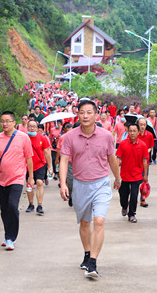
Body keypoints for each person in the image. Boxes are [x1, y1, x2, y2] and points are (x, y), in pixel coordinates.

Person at [60, 98, 121, 279]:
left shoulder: (106, 136)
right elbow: (64, 160)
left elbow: (112, 159)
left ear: (96, 115)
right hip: (80, 184)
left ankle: (93, 262)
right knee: (85, 222)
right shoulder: (70, 136)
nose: (85, 116)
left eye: (89, 112)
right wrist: (63, 183)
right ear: (77, 115)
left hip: (101, 183)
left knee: (99, 221)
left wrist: (118, 178)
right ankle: (87, 253)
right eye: (82, 112)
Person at [0, 111, 34, 251]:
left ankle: (11, 237)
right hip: (0, 179)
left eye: (7, 121)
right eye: (2, 121)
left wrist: (30, 177)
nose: (4, 124)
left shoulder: (23, 138)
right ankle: (7, 236)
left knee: (12, 206)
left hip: (17, 178)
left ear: (14, 122)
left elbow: (29, 158)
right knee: (4, 209)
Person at [116, 123, 149, 223]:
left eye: (134, 131)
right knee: (123, 194)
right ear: (128, 132)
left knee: (134, 195)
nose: (132, 133)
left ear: (138, 132)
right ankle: (124, 206)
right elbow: (118, 159)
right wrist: (117, 175)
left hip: (137, 175)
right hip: (124, 175)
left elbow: (145, 161)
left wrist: (145, 176)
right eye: (130, 131)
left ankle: (132, 214)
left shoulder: (143, 145)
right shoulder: (123, 144)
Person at [26, 120, 53, 215]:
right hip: (27, 166)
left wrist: (50, 166)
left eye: (34, 126)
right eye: (30, 126)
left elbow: (47, 153)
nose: (32, 128)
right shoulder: (24, 138)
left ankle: (40, 205)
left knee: (39, 182)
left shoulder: (42, 138)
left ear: (37, 128)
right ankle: (31, 204)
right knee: (29, 184)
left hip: (40, 164)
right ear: (27, 127)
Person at [137, 117, 154, 208]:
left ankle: (142, 199)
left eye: (144, 125)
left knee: (144, 179)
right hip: (135, 162)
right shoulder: (134, 134)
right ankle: (132, 196)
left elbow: (151, 146)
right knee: (135, 181)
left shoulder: (150, 135)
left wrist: (147, 151)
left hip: (145, 162)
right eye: (141, 125)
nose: (142, 126)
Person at [55, 122, 74, 205]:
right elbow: (59, 149)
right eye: (68, 131)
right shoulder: (62, 138)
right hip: (67, 162)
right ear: (65, 130)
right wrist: (57, 159)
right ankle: (71, 196)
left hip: (77, 162)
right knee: (70, 181)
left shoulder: (76, 137)